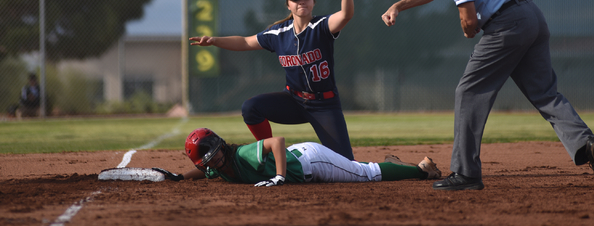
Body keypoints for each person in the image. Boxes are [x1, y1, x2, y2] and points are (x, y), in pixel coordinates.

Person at [381, 0, 594, 191]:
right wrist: (398, 5)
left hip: (509, 24)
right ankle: (587, 144)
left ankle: (466, 174)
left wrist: (471, 30)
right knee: (545, 93)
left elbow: (468, 20)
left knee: (468, 91)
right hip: (531, 16)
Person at [190, 0, 356, 160]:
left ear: (313, 2)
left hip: (325, 105)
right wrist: (215, 40)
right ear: (288, 5)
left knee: (346, 164)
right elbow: (245, 42)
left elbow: (346, 15)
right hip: (294, 101)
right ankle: (271, 156)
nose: (301, 2)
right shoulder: (279, 33)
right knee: (251, 107)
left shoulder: (322, 26)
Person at [152, 127, 441, 185]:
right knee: (356, 168)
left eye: (215, 153)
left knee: (366, 175)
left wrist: (279, 176)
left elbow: (276, 142)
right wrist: (178, 178)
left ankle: (421, 171)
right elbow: (205, 172)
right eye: (209, 158)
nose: (215, 160)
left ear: (221, 146)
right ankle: (396, 166)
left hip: (310, 161)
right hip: (304, 163)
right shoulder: (217, 167)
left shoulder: (239, 155)